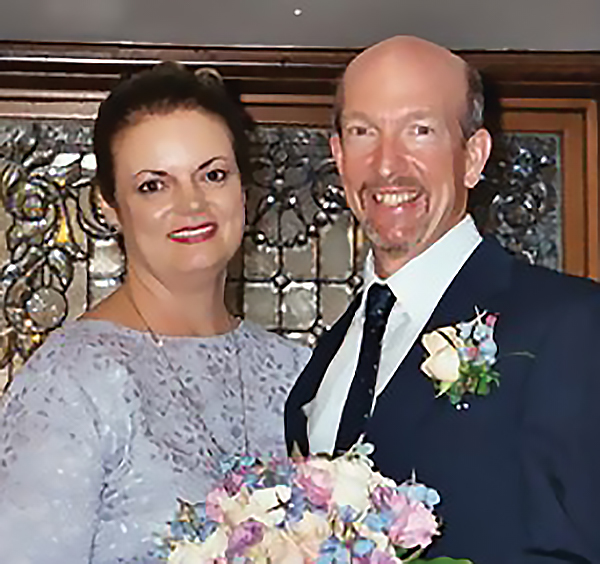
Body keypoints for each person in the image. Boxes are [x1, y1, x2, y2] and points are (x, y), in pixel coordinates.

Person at [285, 36, 600, 564]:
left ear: (473, 156)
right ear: (338, 156)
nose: (387, 164)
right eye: (364, 131)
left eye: (420, 130)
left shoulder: (571, 324)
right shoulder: (328, 357)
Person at [0, 63, 310, 564]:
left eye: (212, 175)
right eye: (153, 185)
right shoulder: (73, 383)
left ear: (242, 190)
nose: (191, 204)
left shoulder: (297, 371)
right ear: (110, 206)